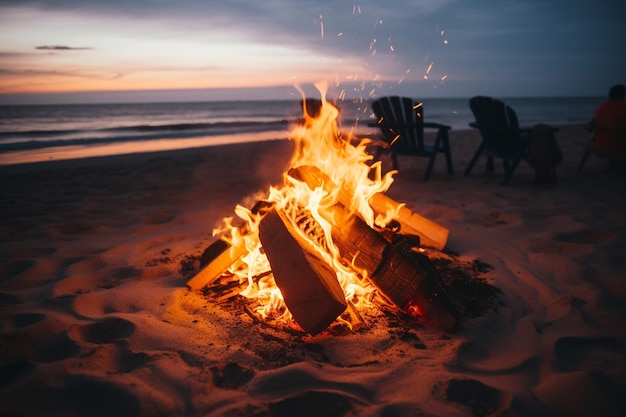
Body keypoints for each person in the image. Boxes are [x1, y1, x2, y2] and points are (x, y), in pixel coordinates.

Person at [590, 84, 626, 153]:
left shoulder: (602, 107)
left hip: (601, 145)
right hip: (618, 148)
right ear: (623, 95)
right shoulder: (623, 107)